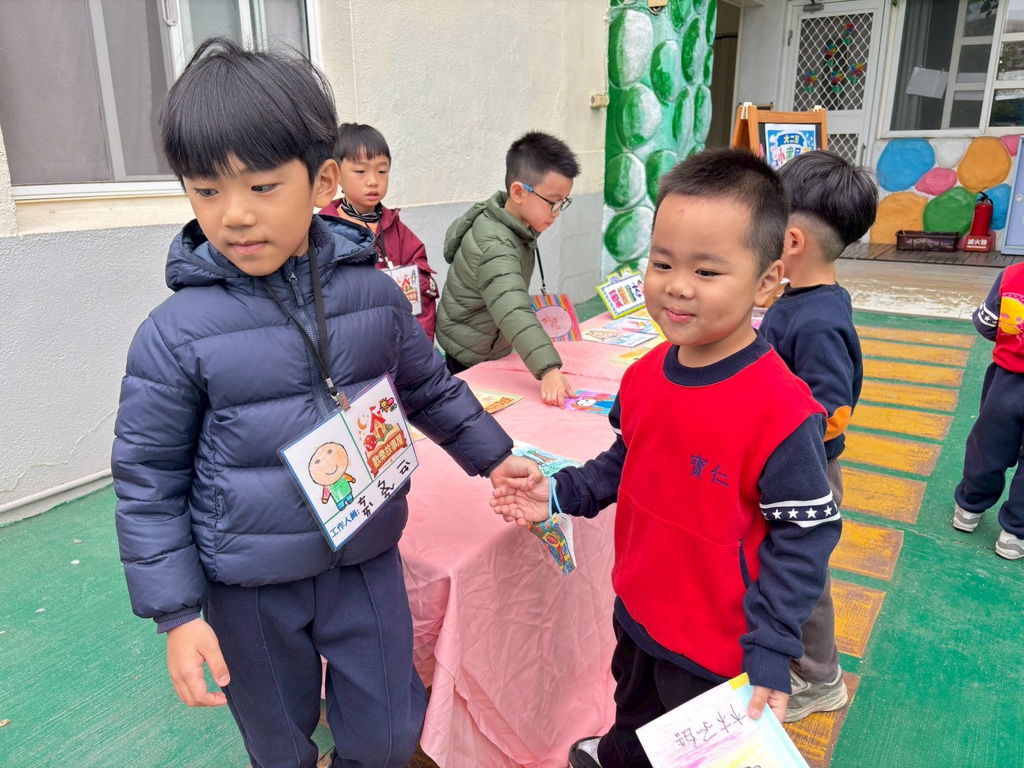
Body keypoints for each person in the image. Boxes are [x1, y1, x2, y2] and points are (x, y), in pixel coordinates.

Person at [110, 38, 526, 768]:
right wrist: (176, 614)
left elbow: (427, 387)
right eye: (206, 191)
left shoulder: (373, 294)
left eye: (262, 186)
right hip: (248, 584)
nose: (235, 215)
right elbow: (149, 480)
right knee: (279, 742)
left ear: (321, 180)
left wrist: (495, 458)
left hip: (363, 556)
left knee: (391, 733)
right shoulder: (174, 335)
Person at [491, 149, 842, 768]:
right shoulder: (646, 374)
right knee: (630, 714)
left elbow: (804, 539)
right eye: (662, 263)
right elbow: (624, 461)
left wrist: (771, 647)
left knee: (694, 754)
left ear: (766, 282)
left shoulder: (783, 411)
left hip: (719, 646)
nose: (677, 285)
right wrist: (558, 492)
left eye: (707, 270)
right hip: (638, 609)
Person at [758, 149, 878, 722]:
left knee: (801, 575)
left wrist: (777, 436)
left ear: (792, 241)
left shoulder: (819, 320)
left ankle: (820, 677)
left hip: (807, 471)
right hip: (783, 463)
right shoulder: (799, 300)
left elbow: (831, 410)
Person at [435, 131, 580, 405]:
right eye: (553, 202)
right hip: (470, 349)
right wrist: (549, 370)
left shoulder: (515, 225)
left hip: (485, 337)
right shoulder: (495, 244)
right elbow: (512, 309)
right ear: (518, 192)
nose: (557, 212)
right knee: (472, 410)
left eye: (564, 202)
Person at [320, 123, 439, 340]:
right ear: (336, 174)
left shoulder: (400, 233)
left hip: (402, 341)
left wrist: (420, 343)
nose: (373, 181)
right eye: (360, 171)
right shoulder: (324, 233)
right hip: (352, 342)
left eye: (382, 171)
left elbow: (423, 294)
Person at [952, 263, 1024, 560]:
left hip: (1007, 381)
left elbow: (986, 324)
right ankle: (1015, 534)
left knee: (989, 445)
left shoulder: (1013, 275)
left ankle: (969, 507)